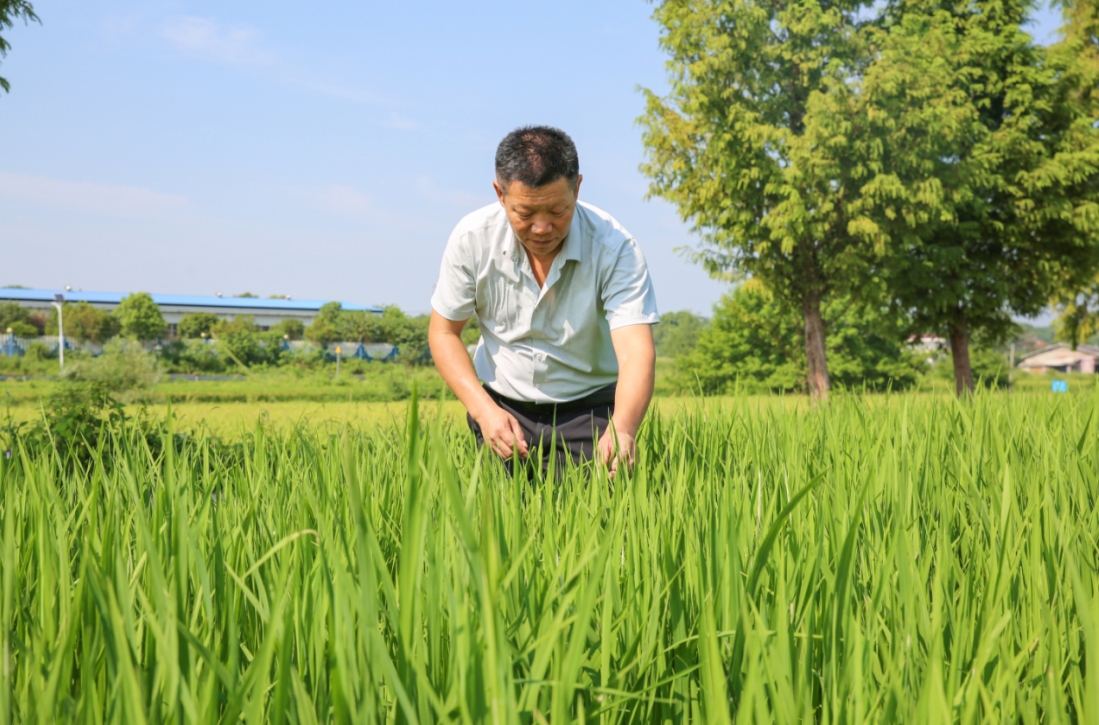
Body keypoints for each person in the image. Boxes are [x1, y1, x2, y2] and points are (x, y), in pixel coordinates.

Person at [428, 126, 659, 477]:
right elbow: (444, 333)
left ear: (577, 188)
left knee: (595, 525)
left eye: (557, 211)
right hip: (501, 412)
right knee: (497, 526)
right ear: (500, 194)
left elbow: (636, 351)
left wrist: (623, 428)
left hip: (591, 413)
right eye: (524, 214)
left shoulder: (615, 247)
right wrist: (483, 410)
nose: (541, 227)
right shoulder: (472, 239)